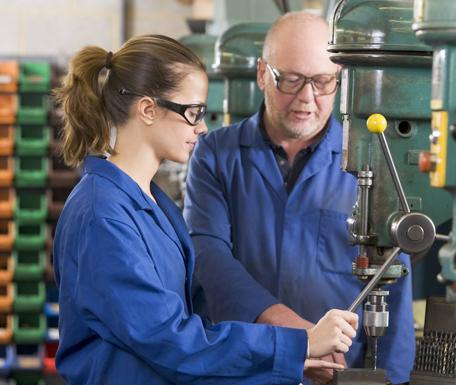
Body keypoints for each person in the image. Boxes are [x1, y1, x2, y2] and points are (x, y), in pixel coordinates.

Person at [52, 34, 359, 385]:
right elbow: (171, 341)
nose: (201, 126)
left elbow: (193, 338)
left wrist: (281, 365)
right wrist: (299, 344)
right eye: (192, 112)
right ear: (148, 109)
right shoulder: (102, 215)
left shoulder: (153, 203)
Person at [184, 12, 415, 385]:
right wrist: (301, 337)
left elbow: (396, 283)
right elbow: (208, 257)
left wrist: (394, 379)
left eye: (322, 81)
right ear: (262, 73)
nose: (307, 98)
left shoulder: (370, 161)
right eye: (290, 80)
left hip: (337, 374)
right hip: (240, 369)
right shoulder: (215, 154)